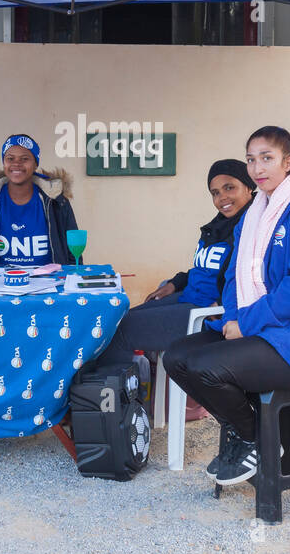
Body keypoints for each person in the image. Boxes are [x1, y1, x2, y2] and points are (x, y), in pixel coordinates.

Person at [163, 126, 290, 486]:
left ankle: (255, 439)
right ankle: (253, 434)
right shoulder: (254, 214)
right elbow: (232, 278)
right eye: (251, 160)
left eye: (267, 158)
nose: (257, 168)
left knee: (207, 367)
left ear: (288, 163)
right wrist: (232, 319)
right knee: (177, 357)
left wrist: (247, 323)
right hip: (259, 331)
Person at [96, 160, 256, 422]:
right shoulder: (218, 225)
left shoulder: (250, 226)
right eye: (215, 192)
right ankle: (133, 402)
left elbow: (248, 275)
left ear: (249, 187)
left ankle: (115, 416)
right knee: (119, 317)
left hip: (207, 313)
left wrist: (229, 306)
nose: (222, 198)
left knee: (121, 331)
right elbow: (204, 269)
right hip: (188, 297)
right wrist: (176, 281)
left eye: (230, 188)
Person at [0, 134, 78, 268]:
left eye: (25, 158)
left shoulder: (57, 202)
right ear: (4, 163)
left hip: (50, 283)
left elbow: (74, 253)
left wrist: (73, 279)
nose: (16, 164)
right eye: (10, 158)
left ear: (35, 164)